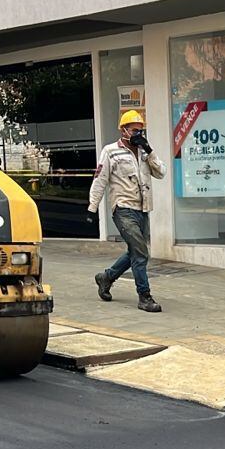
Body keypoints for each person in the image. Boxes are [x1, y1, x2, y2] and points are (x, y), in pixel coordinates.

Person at [91, 109, 166, 313]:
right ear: (123, 131)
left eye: (141, 131)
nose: (138, 134)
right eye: (134, 130)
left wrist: (149, 150)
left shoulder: (144, 152)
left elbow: (161, 172)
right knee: (141, 253)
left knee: (135, 250)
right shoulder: (110, 151)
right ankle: (144, 296)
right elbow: (100, 180)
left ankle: (106, 277)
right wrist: (92, 207)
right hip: (123, 209)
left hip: (142, 209)